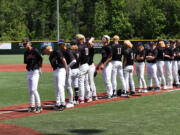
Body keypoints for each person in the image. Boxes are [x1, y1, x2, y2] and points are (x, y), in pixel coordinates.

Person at [42, 44, 68, 111]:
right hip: (55, 71)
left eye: (45, 52)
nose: (45, 53)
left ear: (47, 49)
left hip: (61, 70)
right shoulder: (50, 57)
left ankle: (63, 103)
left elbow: (64, 60)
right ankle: (58, 103)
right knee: (56, 88)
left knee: (60, 86)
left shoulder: (57, 51)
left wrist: (66, 70)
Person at [22, 38, 43, 113]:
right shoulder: (25, 53)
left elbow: (41, 59)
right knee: (30, 91)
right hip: (29, 72)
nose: (25, 45)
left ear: (29, 43)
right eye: (24, 44)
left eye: (26, 43)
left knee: (34, 89)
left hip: (35, 71)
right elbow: (26, 62)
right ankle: (32, 106)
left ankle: (39, 106)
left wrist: (40, 68)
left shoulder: (35, 50)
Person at [59, 41, 76, 108]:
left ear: (64, 44)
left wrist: (67, 66)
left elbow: (74, 61)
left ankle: (71, 102)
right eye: (59, 44)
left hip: (68, 70)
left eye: (61, 44)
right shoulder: (61, 51)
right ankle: (69, 100)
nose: (60, 45)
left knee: (68, 86)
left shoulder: (67, 51)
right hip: (64, 70)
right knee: (66, 86)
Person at [76, 34, 91, 103]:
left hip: (82, 65)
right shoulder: (86, 46)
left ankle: (81, 99)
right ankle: (87, 97)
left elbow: (78, 58)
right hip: (87, 65)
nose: (76, 40)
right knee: (86, 82)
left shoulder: (80, 47)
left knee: (81, 82)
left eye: (77, 39)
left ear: (80, 39)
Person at [69, 40, 80, 104]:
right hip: (77, 69)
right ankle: (76, 99)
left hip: (72, 69)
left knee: (68, 85)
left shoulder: (71, 51)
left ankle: (71, 99)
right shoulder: (78, 51)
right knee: (76, 84)